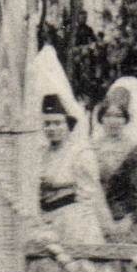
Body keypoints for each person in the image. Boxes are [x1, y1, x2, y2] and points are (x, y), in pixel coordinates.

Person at [92, 79, 137, 243]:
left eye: (119, 116)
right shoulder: (90, 148)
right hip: (92, 219)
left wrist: (131, 221)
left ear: (126, 119)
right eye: (108, 116)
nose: (113, 121)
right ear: (101, 118)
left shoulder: (136, 151)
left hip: (121, 221)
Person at [38, 94, 111, 244]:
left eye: (58, 123)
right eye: (47, 124)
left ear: (68, 125)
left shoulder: (81, 153)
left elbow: (91, 194)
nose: (52, 128)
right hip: (46, 219)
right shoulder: (42, 153)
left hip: (74, 220)